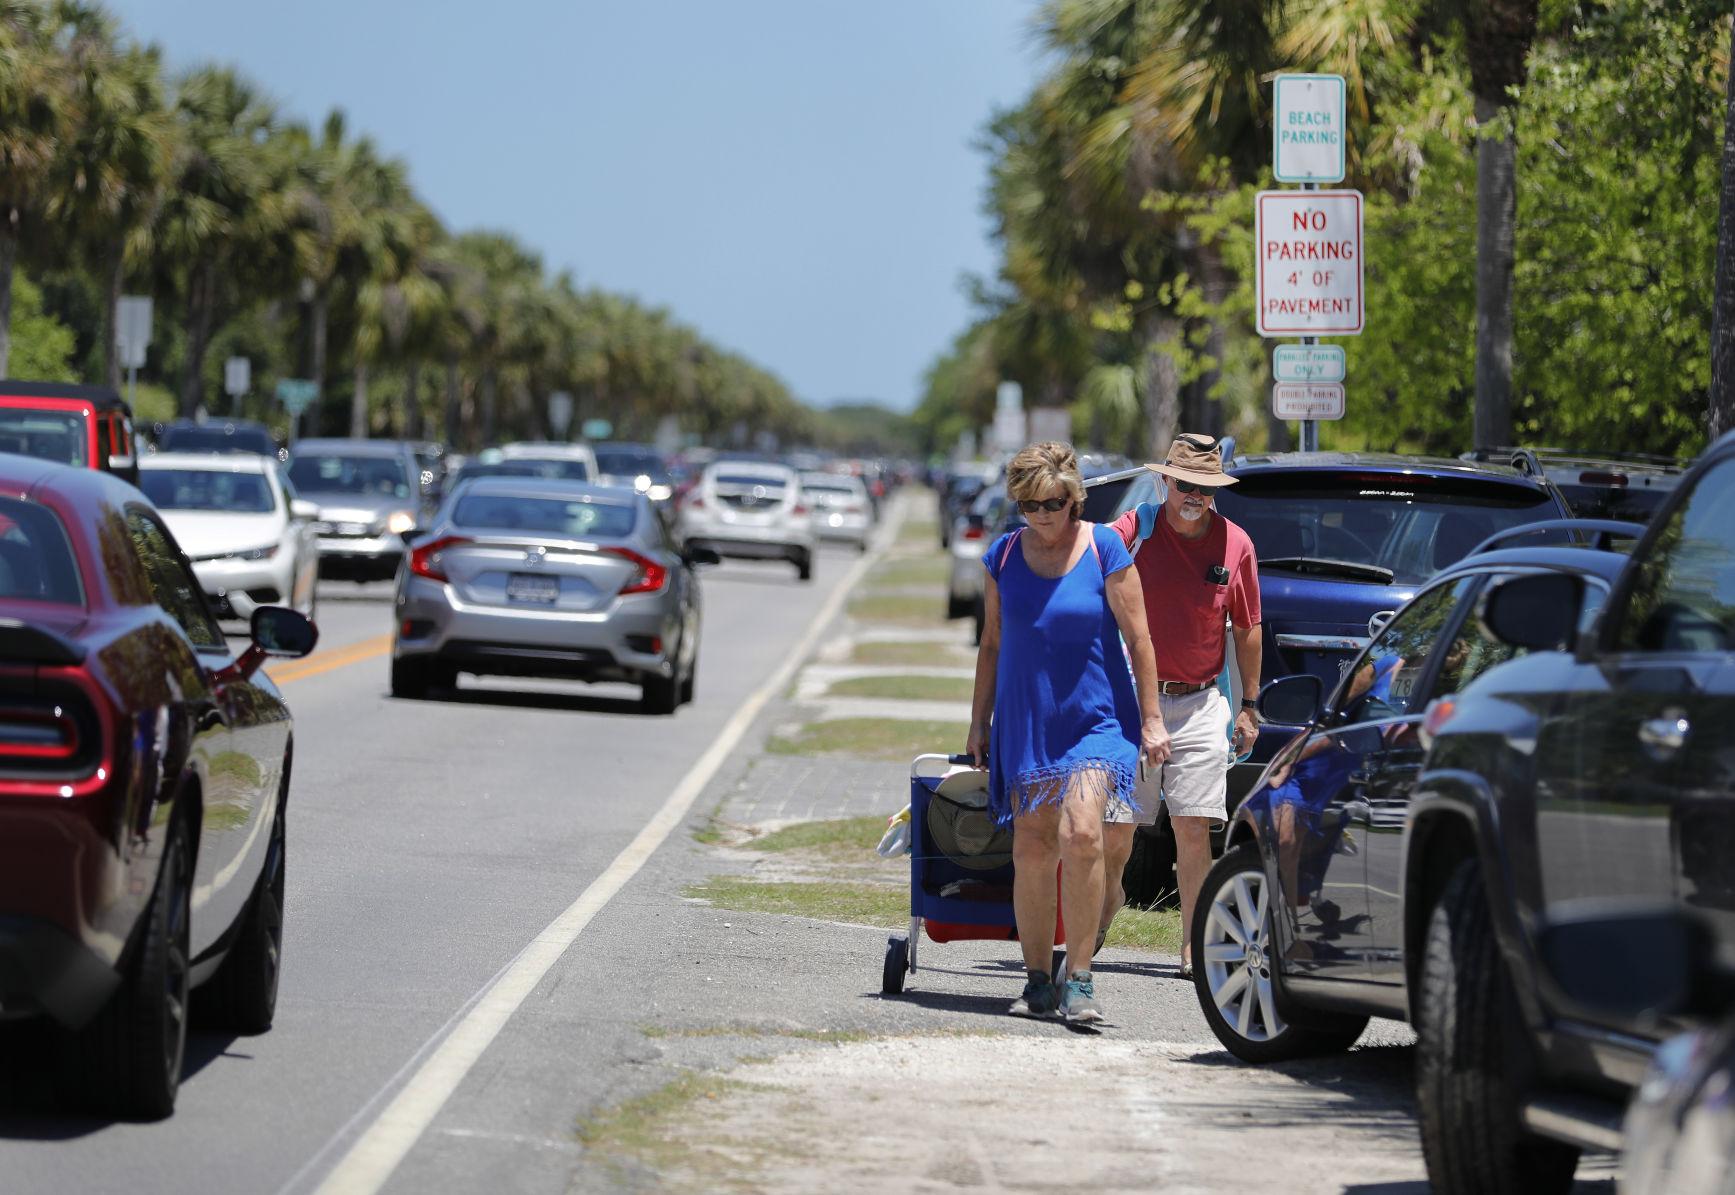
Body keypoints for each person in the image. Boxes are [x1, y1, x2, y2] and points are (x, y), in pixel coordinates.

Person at [966, 441, 1169, 1025]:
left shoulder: (1104, 547)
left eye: (1053, 503)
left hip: (1096, 720)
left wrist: (1152, 718)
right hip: (1027, 718)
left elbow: (1140, 640)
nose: (1043, 516)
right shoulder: (1003, 556)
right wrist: (978, 723)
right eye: (1030, 505)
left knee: (1082, 832)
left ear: (1074, 497)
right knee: (1032, 847)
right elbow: (992, 644)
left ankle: (1079, 980)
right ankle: (1037, 981)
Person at [1103, 433, 1262, 978]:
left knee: (1195, 828)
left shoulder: (1235, 543)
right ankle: (1101, 908)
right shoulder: (1136, 530)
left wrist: (1250, 706)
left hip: (1199, 703)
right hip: (1133, 701)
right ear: (1163, 481)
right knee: (1118, 828)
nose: (1195, 495)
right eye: (1185, 483)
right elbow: (1094, 554)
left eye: (1205, 487)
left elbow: (1247, 627)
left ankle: (1193, 945)